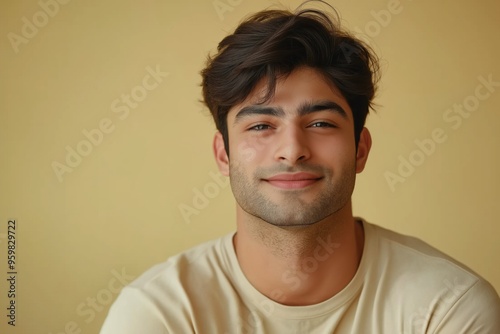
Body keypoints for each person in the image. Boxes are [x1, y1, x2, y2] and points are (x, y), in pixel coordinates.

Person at [101, 2, 500, 333]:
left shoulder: (447, 308)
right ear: (223, 155)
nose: (292, 150)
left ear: (360, 150)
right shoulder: (160, 315)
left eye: (321, 123)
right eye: (260, 125)